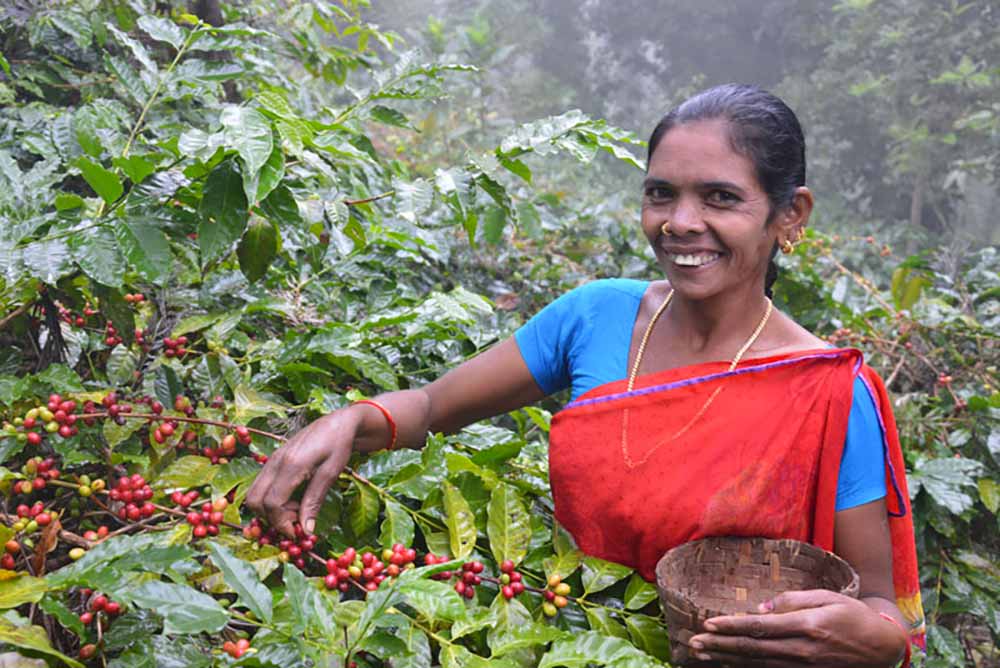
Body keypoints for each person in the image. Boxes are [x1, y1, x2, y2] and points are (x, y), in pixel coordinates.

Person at [246, 84, 923, 667]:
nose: (681, 223)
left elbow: (879, 608)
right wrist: (350, 419)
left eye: (720, 198)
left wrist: (879, 642)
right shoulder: (594, 316)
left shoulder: (829, 392)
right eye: (661, 194)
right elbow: (428, 406)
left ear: (790, 216)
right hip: (569, 640)